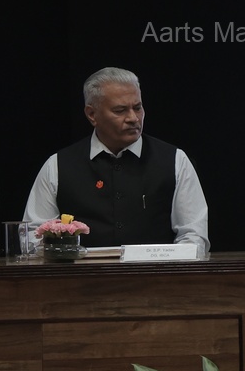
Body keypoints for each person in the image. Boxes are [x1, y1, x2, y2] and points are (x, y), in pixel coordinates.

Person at [24, 67, 210, 253]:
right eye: (120, 110)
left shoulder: (175, 159)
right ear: (92, 115)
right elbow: (33, 236)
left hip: (157, 278)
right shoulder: (58, 165)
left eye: (137, 108)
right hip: (80, 279)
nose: (133, 118)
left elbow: (193, 236)